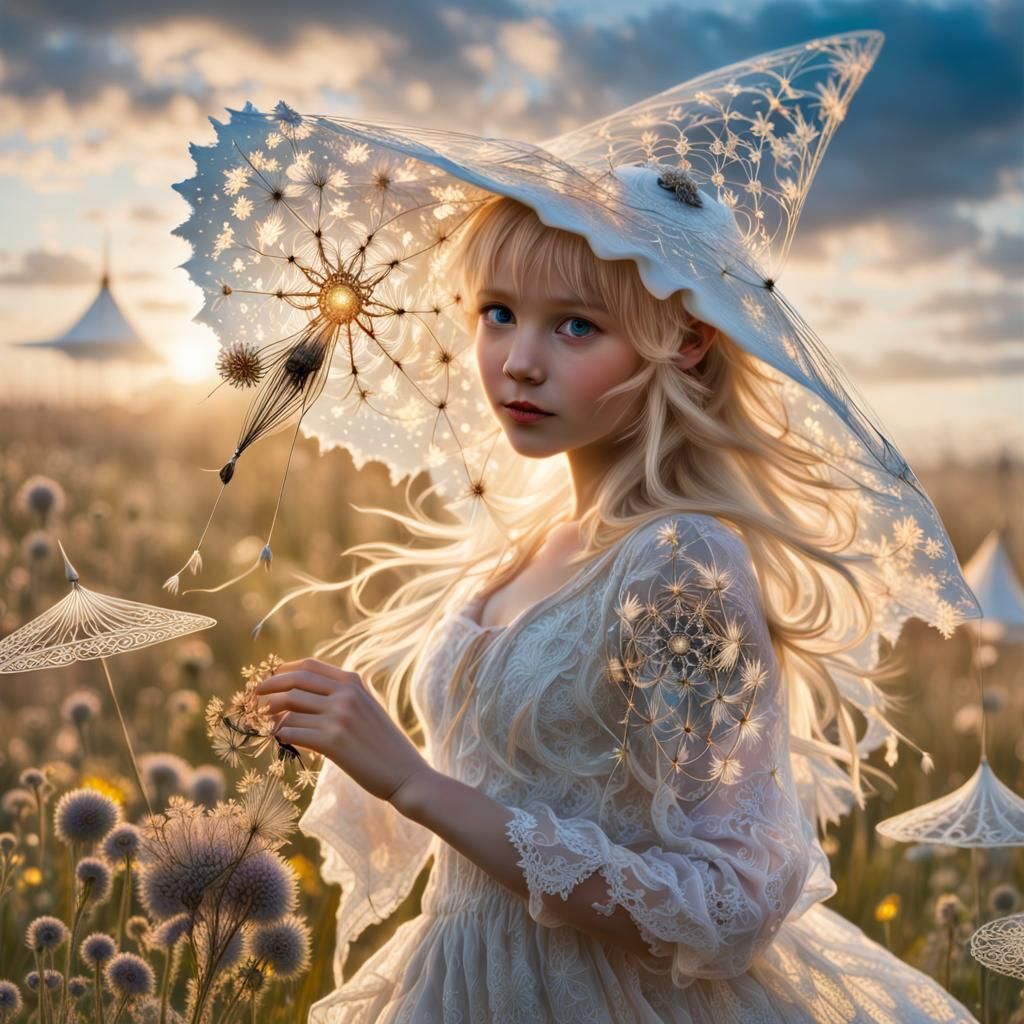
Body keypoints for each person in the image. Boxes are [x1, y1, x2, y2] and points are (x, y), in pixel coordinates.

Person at [172, 30, 983, 1023]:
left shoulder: (680, 562)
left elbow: (724, 902)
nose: (517, 361)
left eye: (576, 326)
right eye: (499, 312)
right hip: (464, 980)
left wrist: (414, 783)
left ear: (682, 344)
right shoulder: (515, 543)